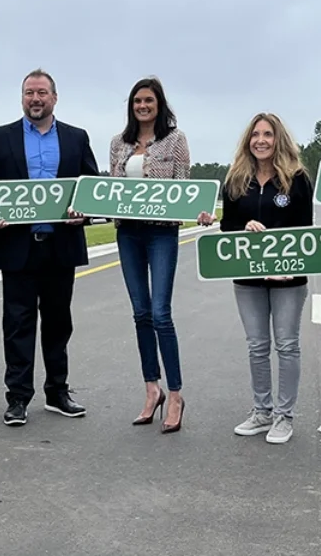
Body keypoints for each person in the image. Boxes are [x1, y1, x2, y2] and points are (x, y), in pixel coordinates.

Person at [0, 68, 99, 427]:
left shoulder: (76, 138)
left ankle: (57, 392)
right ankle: (17, 397)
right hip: (17, 246)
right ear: (22, 98)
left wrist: (85, 214)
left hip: (60, 246)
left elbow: (90, 188)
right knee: (17, 325)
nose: (35, 99)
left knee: (59, 323)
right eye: (29, 93)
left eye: (42, 93)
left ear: (54, 98)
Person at [108, 76, 213, 433]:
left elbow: (184, 186)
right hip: (129, 233)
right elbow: (111, 191)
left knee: (160, 314)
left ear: (159, 104)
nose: (143, 106)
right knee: (140, 313)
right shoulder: (118, 144)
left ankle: (176, 394)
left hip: (162, 232)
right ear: (131, 105)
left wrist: (199, 210)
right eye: (137, 100)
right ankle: (151, 389)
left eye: (149, 100)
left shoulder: (175, 140)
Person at [221, 113, 314, 445]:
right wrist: (243, 227)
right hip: (248, 277)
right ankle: (262, 411)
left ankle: (283, 417)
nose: (261, 140)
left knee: (287, 345)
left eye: (268, 134)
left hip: (288, 275)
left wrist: (282, 256)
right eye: (255, 134)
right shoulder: (235, 179)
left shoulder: (298, 178)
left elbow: (306, 231)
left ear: (279, 140)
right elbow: (226, 230)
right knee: (257, 346)